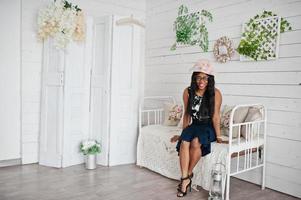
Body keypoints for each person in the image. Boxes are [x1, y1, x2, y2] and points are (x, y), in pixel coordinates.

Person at [174, 59, 223, 197]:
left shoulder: (215, 93)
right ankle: (186, 178)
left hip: (208, 126)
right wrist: (183, 132)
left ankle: (187, 177)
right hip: (194, 124)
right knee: (184, 141)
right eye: (198, 77)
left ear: (209, 79)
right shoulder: (188, 91)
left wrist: (218, 136)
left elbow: (216, 117)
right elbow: (187, 114)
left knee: (196, 142)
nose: (201, 81)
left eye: (205, 78)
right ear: (194, 78)